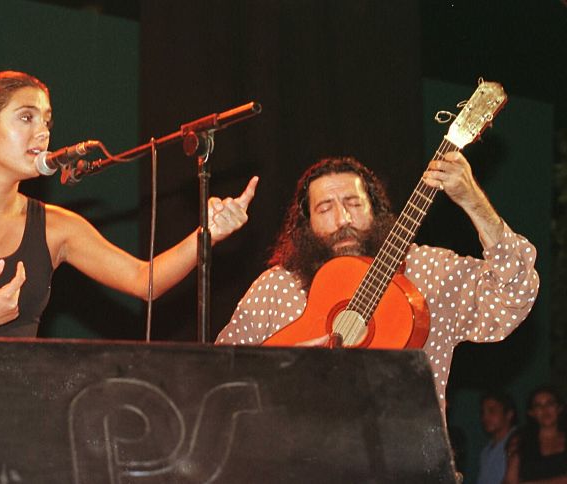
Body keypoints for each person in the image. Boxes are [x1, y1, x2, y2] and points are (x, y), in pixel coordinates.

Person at [0, 70, 258, 369]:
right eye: (26, 118)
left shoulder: (55, 226)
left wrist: (207, 234)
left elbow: (145, 281)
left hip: (17, 419)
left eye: (46, 121)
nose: (43, 133)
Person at [215, 155, 540, 416]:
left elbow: (512, 295)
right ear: (306, 225)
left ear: (375, 209)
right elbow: (220, 375)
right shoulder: (278, 287)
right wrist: (284, 369)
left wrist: (474, 204)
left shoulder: (425, 270)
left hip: (409, 467)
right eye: (325, 208)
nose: (343, 219)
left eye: (354, 203)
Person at [504, 385, 567, 484]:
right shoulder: (521, 442)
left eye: (550, 403)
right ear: (532, 413)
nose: (544, 409)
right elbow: (510, 480)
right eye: (538, 405)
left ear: (559, 408)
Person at [477, 390, 517, 484]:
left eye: (492, 411)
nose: (485, 417)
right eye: (483, 412)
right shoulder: (486, 451)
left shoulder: (518, 442)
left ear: (509, 414)